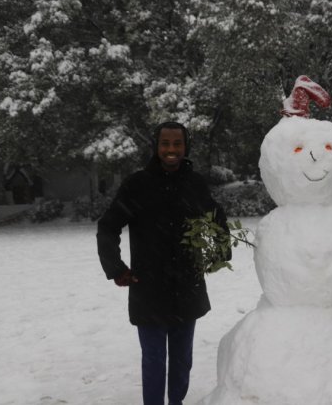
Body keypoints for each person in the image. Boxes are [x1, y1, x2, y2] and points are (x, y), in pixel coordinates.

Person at [96, 121, 231, 405]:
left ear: (186, 146)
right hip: (149, 288)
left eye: (177, 144)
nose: (171, 150)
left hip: (187, 285)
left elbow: (215, 215)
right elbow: (108, 226)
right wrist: (116, 268)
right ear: (156, 146)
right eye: (165, 144)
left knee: (182, 360)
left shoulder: (194, 183)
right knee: (154, 360)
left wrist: (221, 252)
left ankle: (177, 402)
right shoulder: (137, 185)